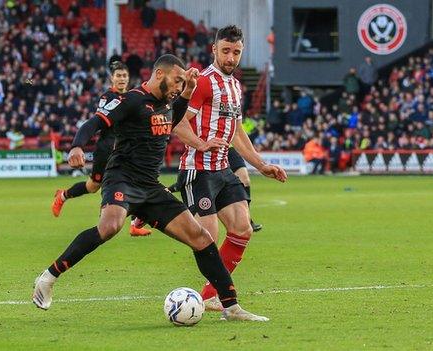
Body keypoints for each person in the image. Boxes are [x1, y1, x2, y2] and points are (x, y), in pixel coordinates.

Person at [33, 54, 268, 321]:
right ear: (159, 75)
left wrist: (188, 91)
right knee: (110, 226)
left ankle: (231, 307)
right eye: (177, 80)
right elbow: (93, 123)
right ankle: (48, 277)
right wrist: (76, 145)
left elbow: (174, 116)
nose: (179, 86)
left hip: (151, 187)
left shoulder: (167, 103)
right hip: (122, 179)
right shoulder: (131, 100)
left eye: (182, 82)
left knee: (201, 238)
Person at [172, 25, 288, 311]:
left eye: (236, 52)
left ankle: (212, 296)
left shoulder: (236, 86)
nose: (231, 57)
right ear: (214, 49)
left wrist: (261, 164)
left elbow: (236, 132)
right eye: (225, 51)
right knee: (207, 242)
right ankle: (225, 301)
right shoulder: (203, 82)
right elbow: (178, 123)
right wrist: (201, 143)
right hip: (197, 169)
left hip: (223, 169)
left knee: (242, 229)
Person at [50, 62, 151, 236]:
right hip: (106, 150)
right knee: (93, 186)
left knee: (135, 182)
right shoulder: (107, 98)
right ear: (112, 78)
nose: (121, 79)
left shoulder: (131, 97)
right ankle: (63, 195)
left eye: (124, 76)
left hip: (125, 150)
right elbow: (97, 122)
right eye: (118, 75)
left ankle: (134, 225)